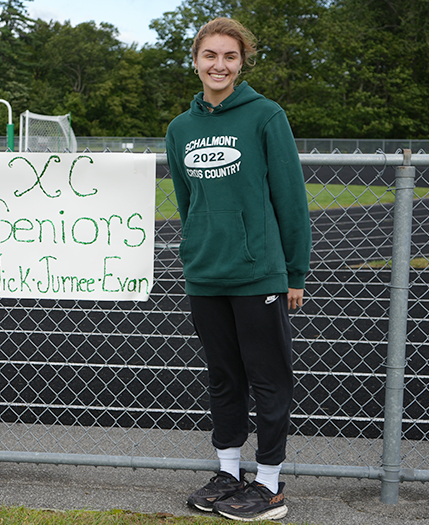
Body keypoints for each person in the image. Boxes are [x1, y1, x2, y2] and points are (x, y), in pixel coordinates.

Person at [165, 17, 311, 522]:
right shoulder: (180, 128)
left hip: (259, 275)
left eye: (229, 56)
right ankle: (229, 473)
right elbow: (189, 202)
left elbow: (291, 200)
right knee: (223, 378)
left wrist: (294, 274)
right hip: (207, 274)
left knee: (268, 379)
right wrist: (200, 248)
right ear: (196, 60)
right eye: (210, 55)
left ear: (242, 61)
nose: (219, 65)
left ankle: (269, 484)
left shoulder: (266, 116)